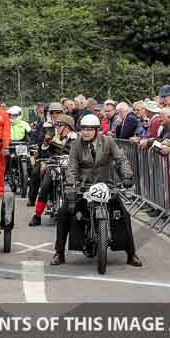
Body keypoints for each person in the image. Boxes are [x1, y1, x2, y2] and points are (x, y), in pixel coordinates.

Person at [51, 114, 141, 267]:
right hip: (82, 188)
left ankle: (131, 254)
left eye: (89, 129)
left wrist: (127, 176)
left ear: (97, 130)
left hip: (105, 185)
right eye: (83, 129)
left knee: (124, 215)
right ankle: (59, 252)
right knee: (63, 213)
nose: (85, 132)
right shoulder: (76, 145)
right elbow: (72, 168)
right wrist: (71, 187)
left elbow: (121, 159)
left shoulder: (108, 142)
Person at [28, 115, 77, 225]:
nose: (57, 127)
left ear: (67, 127)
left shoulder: (76, 138)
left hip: (70, 168)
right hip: (55, 165)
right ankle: (37, 215)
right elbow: (45, 151)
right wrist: (46, 142)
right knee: (45, 186)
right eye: (56, 125)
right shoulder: (54, 137)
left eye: (60, 125)